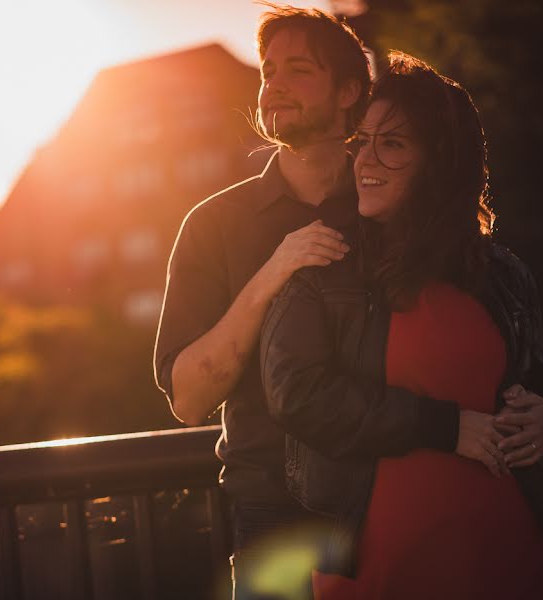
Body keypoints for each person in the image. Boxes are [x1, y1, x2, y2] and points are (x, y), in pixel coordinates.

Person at [260, 52, 543, 599]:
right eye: (362, 140)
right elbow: (297, 394)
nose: (365, 159)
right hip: (381, 566)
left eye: (392, 144)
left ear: (440, 161)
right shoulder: (324, 265)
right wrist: (444, 427)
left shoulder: (502, 272)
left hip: (510, 555)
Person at [153, 5, 370, 597]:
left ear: (349, 91)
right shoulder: (212, 225)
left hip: (396, 500)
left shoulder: (392, 209)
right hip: (272, 515)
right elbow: (190, 398)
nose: (273, 83)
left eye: (298, 70)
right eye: (268, 70)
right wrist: (274, 270)